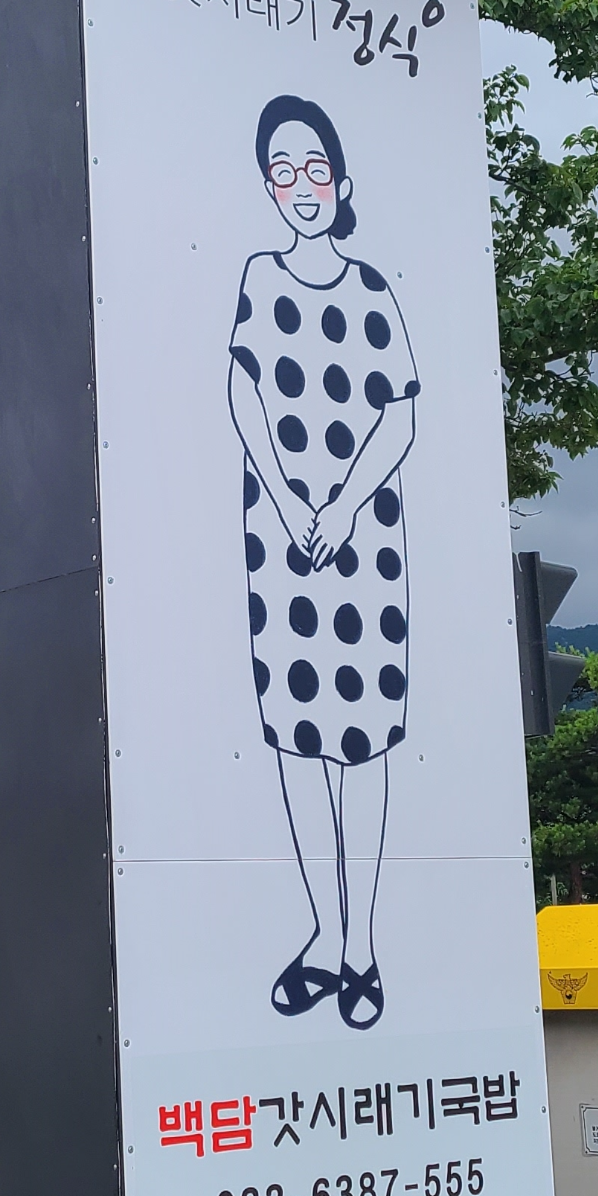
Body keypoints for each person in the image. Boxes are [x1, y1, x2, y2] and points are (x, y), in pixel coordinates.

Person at [228, 93, 419, 1031]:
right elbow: (245, 395)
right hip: (280, 548)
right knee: (298, 741)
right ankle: (322, 934)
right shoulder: (259, 278)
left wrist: (340, 505)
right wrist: (287, 500)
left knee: (365, 746)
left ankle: (362, 947)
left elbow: (400, 413)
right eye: (282, 171)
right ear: (268, 186)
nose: (299, 186)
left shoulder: (373, 291)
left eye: (313, 169)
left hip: (365, 546)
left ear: (340, 183)